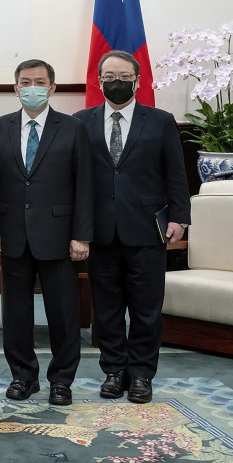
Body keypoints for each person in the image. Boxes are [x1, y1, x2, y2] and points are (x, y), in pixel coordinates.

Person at [74, 51, 190, 404]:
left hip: (147, 229)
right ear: (99, 81)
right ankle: (114, 370)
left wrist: (180, 217)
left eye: (123, 76)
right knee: (106, 307)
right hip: (100, 230)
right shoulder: (81, 121)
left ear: (138, 81)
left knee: (146, 307)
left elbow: (176, 173)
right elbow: (77, 179)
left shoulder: (160, 121)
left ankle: (141, 373)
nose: (116, 82)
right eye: (108, 77)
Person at [0, 59, 93, 406]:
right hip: (13, 234)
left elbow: (84, 185)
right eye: (25, 81)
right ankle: (23, 376)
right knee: (15, 314)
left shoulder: (72, 128)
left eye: (40, 81)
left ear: (52, 87)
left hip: (60, 236)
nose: (32, 87)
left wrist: (82, 234)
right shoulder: (1, 127)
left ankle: (61, 380)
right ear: (16, 88)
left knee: (63, 313)